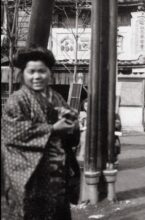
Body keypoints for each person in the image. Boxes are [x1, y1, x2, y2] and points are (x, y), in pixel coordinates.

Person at [1, 47, 80, 219]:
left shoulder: (56, 97)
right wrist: (52, 129)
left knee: (58, 212)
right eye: (31, 72)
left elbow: (71, 134)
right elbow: (13, 133)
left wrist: (72, 124)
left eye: (42, 71)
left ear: (50, 73)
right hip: (29, 174)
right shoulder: (17, 99)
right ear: (23, 74)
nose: (37, 76)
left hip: (57, 174)